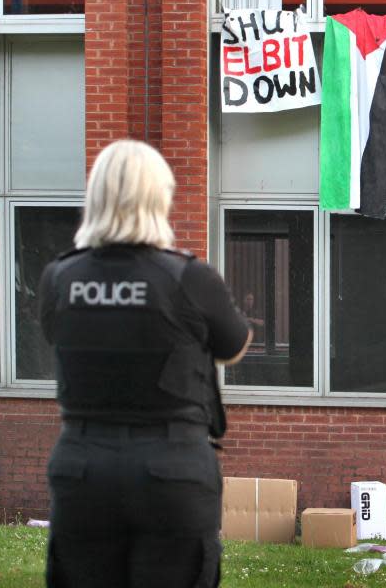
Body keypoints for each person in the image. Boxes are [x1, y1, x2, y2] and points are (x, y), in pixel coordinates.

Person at [38, 140, 252, 588]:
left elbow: (55, 335)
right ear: (160, 199)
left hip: (83, 469)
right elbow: (233, 347)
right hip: (172, 473)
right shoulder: (190, 278)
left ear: (94, 197)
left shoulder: (60, 278)